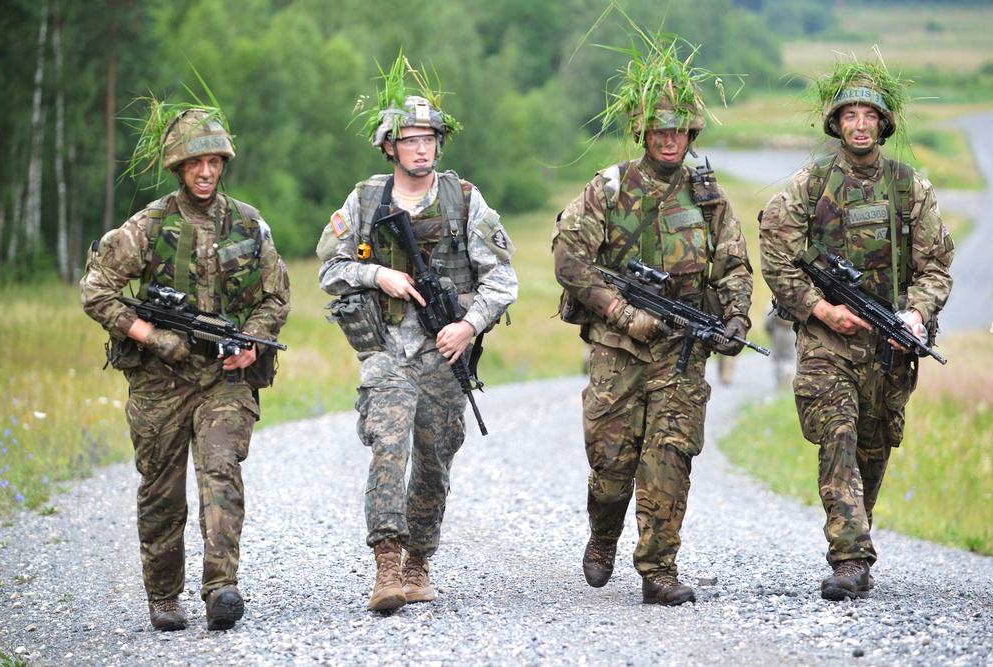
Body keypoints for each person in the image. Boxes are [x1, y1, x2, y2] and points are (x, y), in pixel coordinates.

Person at [552, 33, 755, 605]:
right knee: (612, 463)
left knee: (671, 454)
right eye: (660, 131)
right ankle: (603, 533)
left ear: (692, 134)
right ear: (644, 133)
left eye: (679, 131)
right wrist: (622, 313)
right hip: (620, 351)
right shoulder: (610, 188)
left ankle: (658, 568)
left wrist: (736, 318)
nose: (670, 141)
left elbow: (735, 264)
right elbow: (569, 259)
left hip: (682, 352)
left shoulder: (708, 196)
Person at [317, 56, 518, 613]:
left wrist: (467, 325)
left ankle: (419, 560)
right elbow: (329, 271)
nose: (421, 149)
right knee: (389, 443)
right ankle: (386, 561)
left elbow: (504, 278)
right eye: (409, 140)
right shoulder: (364, 202)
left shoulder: (464, 200)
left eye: (429, 139)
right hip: (385, 349)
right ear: (389, 146)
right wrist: (375, 273)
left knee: (435, 459)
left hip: (443, 352)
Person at [80, 103, 291, 630]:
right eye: (195, 163)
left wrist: (253, 343)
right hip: (158, 383)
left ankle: (221, 587)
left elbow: (277, 296)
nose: (205, 172)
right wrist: (150, 336)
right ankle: (164, 596)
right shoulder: (149, 226)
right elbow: (96, 291)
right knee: (161, 490)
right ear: (178, 167)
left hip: (224, 378)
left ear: (224, 165)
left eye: (214, 162)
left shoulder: (246, 223)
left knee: (221, 473)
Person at [758, 57, 954, 601]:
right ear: (836, 123)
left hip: (890, 342)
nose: (861, 124)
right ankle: (849, 559)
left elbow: (936, 267)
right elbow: (776, 255)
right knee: (838, 434)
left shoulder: (909, 187)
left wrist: (914, 313)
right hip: (828, 340)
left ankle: (856, 535)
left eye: (871, 115)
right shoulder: (810, 185)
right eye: (851, 115)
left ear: (884, 125)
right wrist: (820, 310)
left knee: (874, 447)